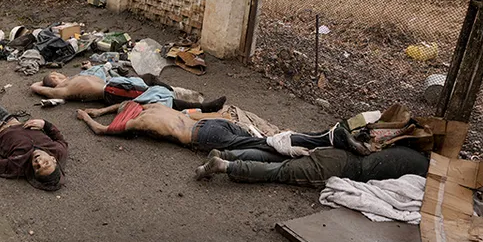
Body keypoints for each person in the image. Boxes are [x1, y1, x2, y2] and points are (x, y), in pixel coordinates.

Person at [75, 102, 346, 154]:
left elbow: (102, 130)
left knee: (267, 146)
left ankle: (322, 140)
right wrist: (99, 109)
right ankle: (323, 136)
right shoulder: (156, 106)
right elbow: (127, 103)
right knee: (266, 138)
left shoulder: (137, 122)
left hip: (203, 135)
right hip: (211, 122)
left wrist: (86, 117)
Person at [194, 145, 430, 187]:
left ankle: (227, 154)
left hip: (338, 154)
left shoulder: (411, 151)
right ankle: (224, 165)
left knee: (276, 158)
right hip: (339, 170)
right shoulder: (420, 173)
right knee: (279, 172)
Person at [31, 66, 226, 111]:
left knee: (149, 78)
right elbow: (36, 87)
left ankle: (171, 92)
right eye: (53, 78)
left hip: (115, 84)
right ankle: (206, 108)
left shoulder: (74, 77)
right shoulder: (62, 90)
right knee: (154, 97)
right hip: (111, 92)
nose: (58, 76)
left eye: (56, 73)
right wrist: (43, 83)